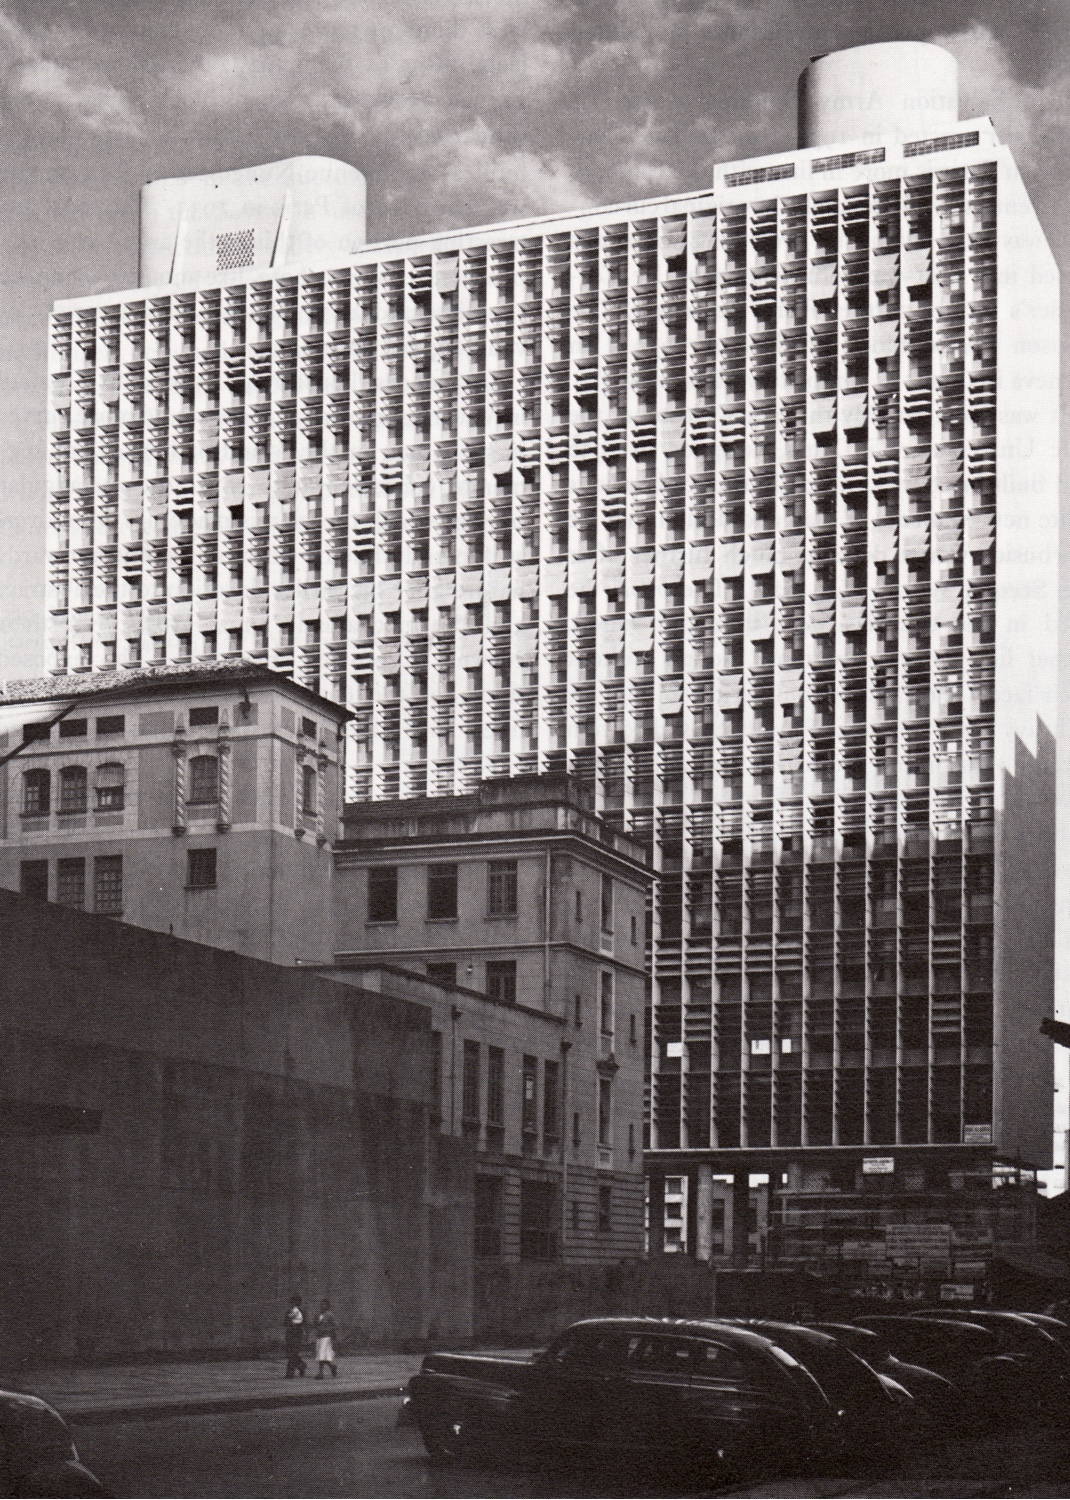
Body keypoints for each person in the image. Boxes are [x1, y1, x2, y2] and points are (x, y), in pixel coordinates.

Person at [314, 1299, 338, 1379]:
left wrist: (327, 1329)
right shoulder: (318, 1314)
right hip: (319, 1336)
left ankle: (320, 1373)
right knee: (321, 1355)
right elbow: (316, 1324)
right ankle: (332, 1366)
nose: (322, 1306)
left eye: (324, 1304)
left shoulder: (330, 1315)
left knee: (321, 1354)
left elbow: (335, 1326)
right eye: (321, 1304)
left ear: (328, 1306)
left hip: (326, 1337)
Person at [284, 1293, 307, 1378]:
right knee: (290, 1353)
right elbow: (285, 1322)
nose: (293, 1304)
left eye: (296, 1303)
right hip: (290, 1334)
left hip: (297, 1335)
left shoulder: (302, 1312)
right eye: (293, 1303)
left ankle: (290, 1373)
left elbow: (303, 1323)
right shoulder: (289, 1312)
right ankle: (301, 1365)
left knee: (293, 1353)